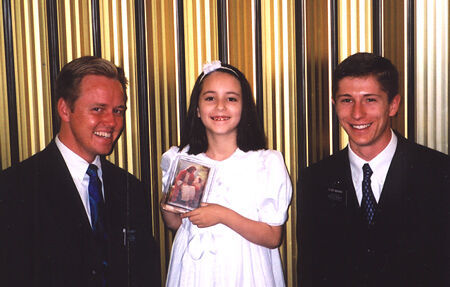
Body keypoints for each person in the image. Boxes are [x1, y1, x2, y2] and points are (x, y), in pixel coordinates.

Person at [0, 56, 161, 287]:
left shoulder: (131, 189)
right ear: (65, 109)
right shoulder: (15, 188)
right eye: (98, 109)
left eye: (118, 110)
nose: (111, 121)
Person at [297, 52, 449, 287]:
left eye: (370, 100)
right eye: (347, 100)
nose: (357, 114)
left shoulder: (438, 173)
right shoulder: (314, 180)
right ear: (334, 104)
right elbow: (311, 273)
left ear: (393, 105)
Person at [160, 61, 292, 286]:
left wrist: (222, 215)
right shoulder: (183, 160)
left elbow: (272, 237)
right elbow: (175, 223)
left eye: (231, 98)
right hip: (195, 272)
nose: (220, 106)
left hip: (247, 272)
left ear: (244, 108)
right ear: (198, 110)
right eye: (210, 98)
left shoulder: (264, 163)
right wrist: (168, 203)